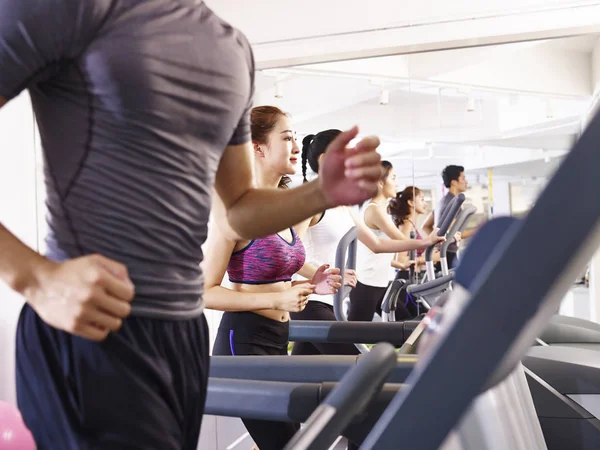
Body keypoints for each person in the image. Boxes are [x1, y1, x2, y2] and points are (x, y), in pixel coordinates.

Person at [0, 3, 383, 449]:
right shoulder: (76, 10)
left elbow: (237, 207)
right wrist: (37, 277)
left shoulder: (230, 46)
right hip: (98, 324)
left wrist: (321, 192)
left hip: (182, 331)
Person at [205, 106, 342, 450]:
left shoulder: (281, 206)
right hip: (244, 344)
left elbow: (279, 265)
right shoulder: (234, 211)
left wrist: (314, 282)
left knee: (283, 442)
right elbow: (204, 291)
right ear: (258, 147)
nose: (297, 146)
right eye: (287, 138)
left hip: (277, 339)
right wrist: (274, 299)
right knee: (288, 445)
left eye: (295, 138)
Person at [297, 130, 445, 327]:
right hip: (310, 302)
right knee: (352, 356)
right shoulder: (310, 201)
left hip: (332, 300)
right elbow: (288, 257)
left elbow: (376, 243)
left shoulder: (342, 203)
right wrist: (322, 277)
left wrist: (425, 242)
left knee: (312, 356)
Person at [388, 186, 441, 278]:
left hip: (414, 275)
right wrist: (427, 258)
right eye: (422, 199)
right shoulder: (407, 225)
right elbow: (400, 260)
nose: (425, 204)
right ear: (411, 202)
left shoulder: (411, 224)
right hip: (407, 277)